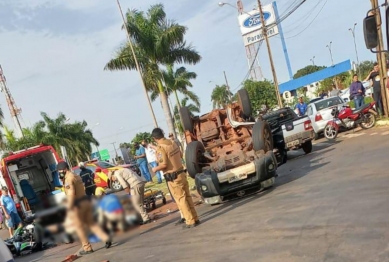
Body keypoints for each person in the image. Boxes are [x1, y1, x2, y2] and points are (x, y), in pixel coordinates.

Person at [57, 161, 111, 256]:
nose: (59, 173)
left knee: (79, 228)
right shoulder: (75, 175)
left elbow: (71, 195)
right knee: (91, 223)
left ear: (64, 169)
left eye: (60, 171)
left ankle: (87, 248)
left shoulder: (69, 179)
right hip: (85, 202)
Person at [151, 127, 199, 229]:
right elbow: (180, 155)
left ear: (155, 138)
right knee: (188, 196)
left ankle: (190, 221)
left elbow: (163, 164)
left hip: (173, 177)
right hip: (181, 173)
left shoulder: (161, 148)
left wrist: (155, 169)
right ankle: (195, 217)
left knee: (181, 199)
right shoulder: (173, 143)